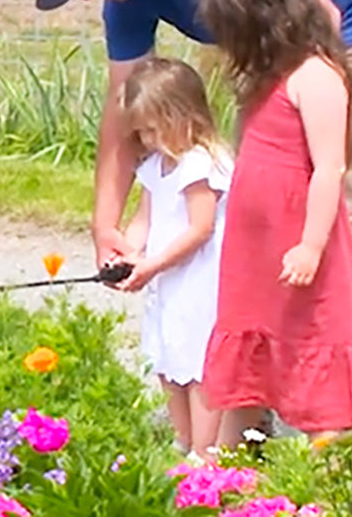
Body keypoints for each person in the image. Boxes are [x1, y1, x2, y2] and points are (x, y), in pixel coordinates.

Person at [22, 0, 352, 416]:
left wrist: (315, 141)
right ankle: (262, 413)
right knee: (258, 220)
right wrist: (106, 225)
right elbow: (124, 111)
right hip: (275, 46)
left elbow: (320, 17)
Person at [195, 0, 352, 442]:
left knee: (313, 341)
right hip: (257, 251)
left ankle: (330, 463)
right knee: (248, 349)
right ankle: (230, 469)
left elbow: (328, 168)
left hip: (299, 247)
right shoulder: (270, 76)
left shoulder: (316, 76)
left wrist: (311, 244)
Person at [112, 56, 232, 461]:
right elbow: (144, 219)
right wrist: (129, 254)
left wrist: (154, 264)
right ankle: (182, 440)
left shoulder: (199, 165)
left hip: (198, 281)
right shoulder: (158, 164)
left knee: (198, 364)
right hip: (167, 279)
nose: (146, 139)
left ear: (183, 116)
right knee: (167, 357)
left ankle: (205, 449)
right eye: (141, 132)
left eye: (152, 128)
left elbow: (201, 229)